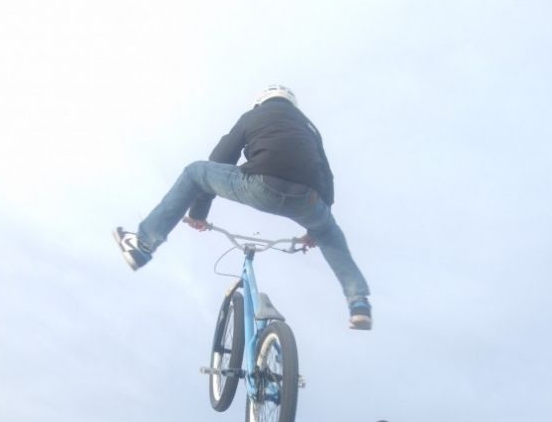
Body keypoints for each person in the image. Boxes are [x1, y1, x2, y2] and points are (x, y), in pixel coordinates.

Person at [113, 85, 371, 329]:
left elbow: (219, 159)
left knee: (195, 172)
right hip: (309, 199)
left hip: (263, 186)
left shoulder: (252, 116)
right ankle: (358, 302)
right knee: (329, 234)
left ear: (260, 102)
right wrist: (316, 227)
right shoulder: (310, 129)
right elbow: (327, 176)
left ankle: (143, 246)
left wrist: (199, 214)